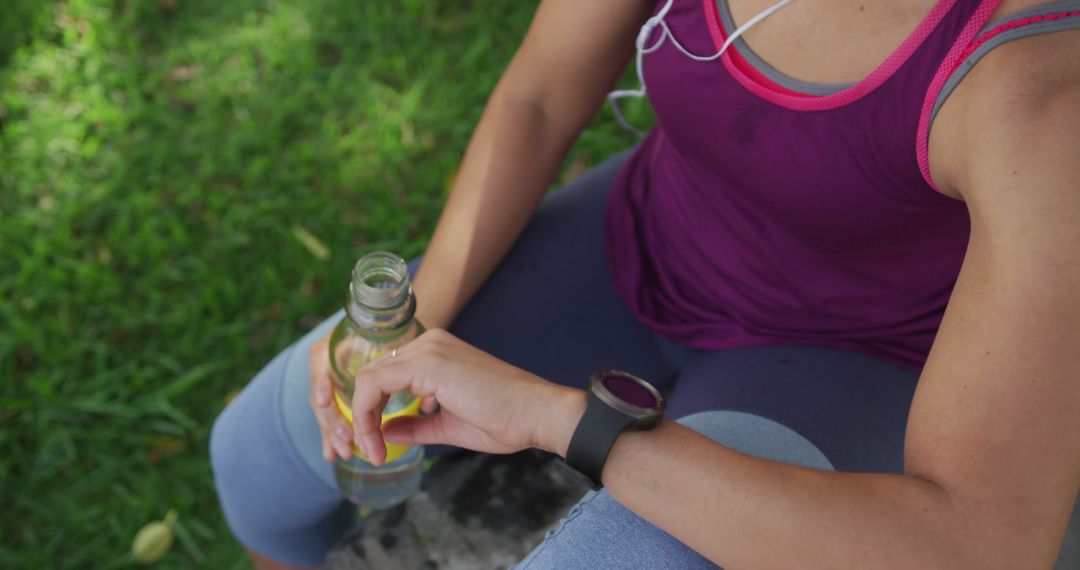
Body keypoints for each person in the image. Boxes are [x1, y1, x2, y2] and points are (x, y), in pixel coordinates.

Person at [210, 0, 1080, 568]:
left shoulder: (1034, 91)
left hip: (851, 357)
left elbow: (981, 543)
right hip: (639, 240)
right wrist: (416, 322)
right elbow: (540, 96)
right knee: (260, 457)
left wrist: (559, 421)